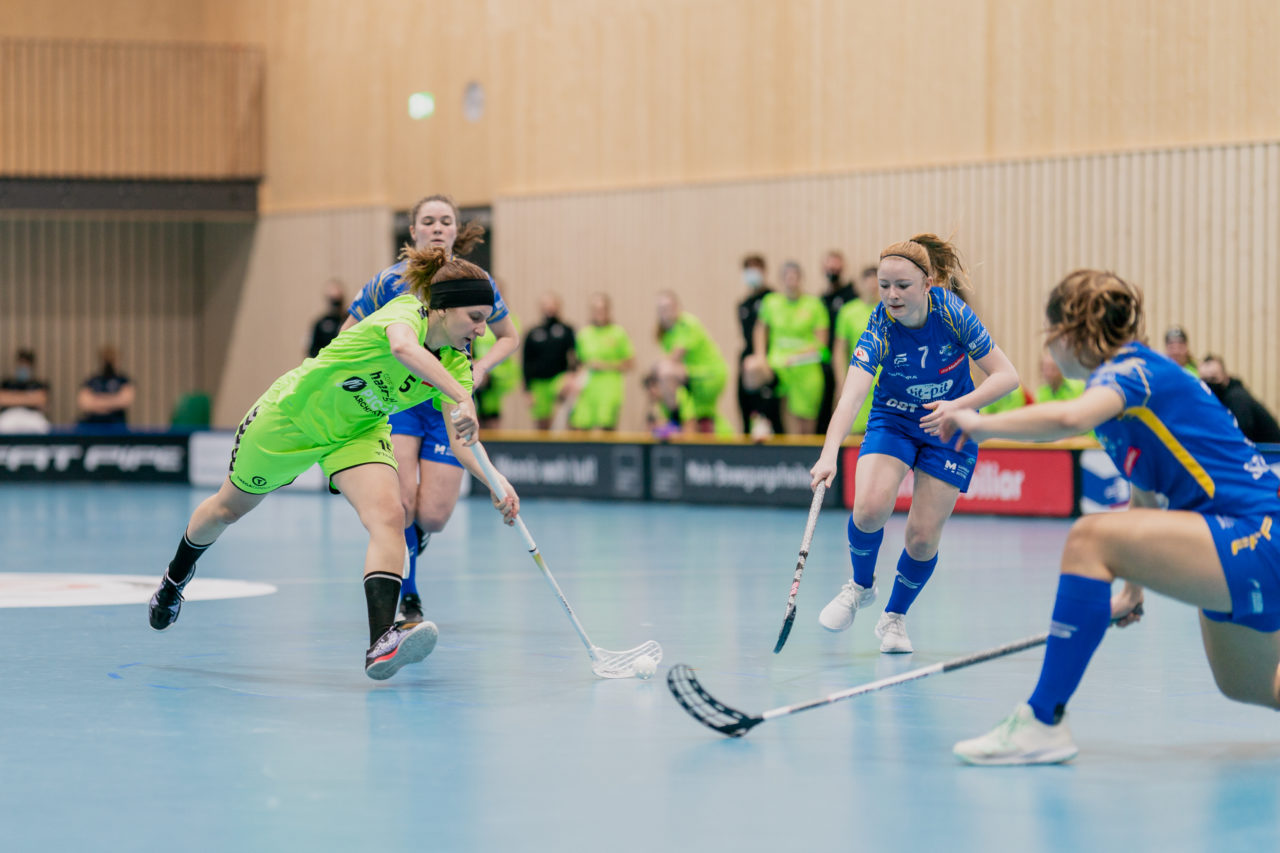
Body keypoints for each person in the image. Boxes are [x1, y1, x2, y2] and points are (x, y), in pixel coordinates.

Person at [929, 269, 1280, 765]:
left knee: (1090, 538)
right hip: (1243, 538)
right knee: (1249, 685)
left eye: (1051, 337)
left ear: (1070, 333)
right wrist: (1132, 589)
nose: (1050, 350)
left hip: (1255, 530)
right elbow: (1146, 496)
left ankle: (1042, 720)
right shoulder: (1126, 406)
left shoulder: (1130, 371)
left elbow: (1070, 419)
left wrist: (980, 424)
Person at [148, 246, 520, 681]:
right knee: (227, 508)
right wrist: (461, 397)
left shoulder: (457, 365)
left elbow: (462, 442)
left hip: (357, 431)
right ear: (442, 307)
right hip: (293, 419)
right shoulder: (405, 312)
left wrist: (497, 481)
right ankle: (175, 578)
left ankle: (381, 641)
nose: (482, 330)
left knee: (389, 514)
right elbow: (401, 348)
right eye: (475, 317)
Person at [809, 234, 1020, 654]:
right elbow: (851, 397)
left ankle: (894, 618)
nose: (891, 295)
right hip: (895, 420)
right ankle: (859, 586)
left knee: (922, 538)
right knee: (869, 510)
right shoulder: (879, 326)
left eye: (902, 286)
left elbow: (1006, 376)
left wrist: (957, 407)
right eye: (884, 285)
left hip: (950, 426)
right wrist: (828, 452)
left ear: (928, 283)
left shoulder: (954, 314)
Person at [342, 193, 520, 624]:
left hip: (447, 400)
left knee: (434, 516)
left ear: (458, 231)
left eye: (446, 221)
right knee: (401, 499)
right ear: (413, 231)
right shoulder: (389, 282)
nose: (437, 228)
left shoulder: (478, 282)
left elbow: (509, 337)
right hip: (398, 399)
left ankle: (411, 541)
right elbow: (347, 334)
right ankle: (410, 593)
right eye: (429, 221)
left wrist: (479, 371)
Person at [743, 261, 829, 435]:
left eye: (794, 277)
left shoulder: (814, 305)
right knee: (752, 366)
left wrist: (797, 357)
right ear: (781, 280)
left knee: (804, 429)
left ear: (800, 279)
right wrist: (760, 355)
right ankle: (760, 418)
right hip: (777, 367)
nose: (791, 281)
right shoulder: (771, 302)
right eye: (787, 277)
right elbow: (760, 329)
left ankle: (802, 457)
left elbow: (822, 345)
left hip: (805, 369)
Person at [654, 290, 729, 434]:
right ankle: (680, 423)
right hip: (693, 376)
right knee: (701, 416)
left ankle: (674, 422)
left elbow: (674, 358)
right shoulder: (666, 334)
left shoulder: (687, 324)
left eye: (669, 308)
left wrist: (654, 370)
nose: (666, 313)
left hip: (709, 375)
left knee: (665, 371)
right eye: (661, 309)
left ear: (678, 307)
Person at [568, 293, 634, 431]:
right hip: (587, 388)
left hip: (609, 388)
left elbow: (630, 363)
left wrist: (604, 365)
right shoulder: (584, 334)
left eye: (602, 309)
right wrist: (575, 380)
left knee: (607, 429)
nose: (599, 313)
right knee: (579, 426)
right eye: (595, 310)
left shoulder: (618, 333)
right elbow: (579, 363)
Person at [735, 255, 783, 440]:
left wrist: (762, 356)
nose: (752, 274)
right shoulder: (743, 304)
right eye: (748, 269)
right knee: (743, 396)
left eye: (756, 269)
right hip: (748, 353)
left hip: (770, 354)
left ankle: (765, 423)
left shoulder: (772, 299)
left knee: (761, 382)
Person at [522, 292, 577, 430]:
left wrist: (572, 375)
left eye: (552, 304)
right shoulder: (533, 333)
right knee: (542, 421)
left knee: (567, 410)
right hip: (539, 383)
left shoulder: (566, 330)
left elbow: (575, 356)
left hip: (559, 378)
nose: (549, 308)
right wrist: (528, 390)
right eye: (546, 305)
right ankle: (544, 449)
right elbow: (526, 362)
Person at [817, 251, 857, 432]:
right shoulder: (821, 299)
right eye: (829, 267)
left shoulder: (850, 296)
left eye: (836, 267)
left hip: (845, 361)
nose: (832, 270)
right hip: (824, 362)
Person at [1199, 354, 1280, 444]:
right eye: (1204, 380)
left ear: (1226, 377)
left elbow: (1241, 434)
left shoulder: (1237, 398)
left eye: (1214, 378)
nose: (1209, 383)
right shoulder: (1221, 399)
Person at [77, 346, 134, 431]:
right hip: (93, 425)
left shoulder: (123, 380)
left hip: (116, 425)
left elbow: (125, 400)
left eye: (112, 359)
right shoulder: (92, 381)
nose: (109, 362)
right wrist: (113, 400)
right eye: (106, 359)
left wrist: (97, 400)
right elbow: (84, 403)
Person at [0, 348, 51, 434]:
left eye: (26, 364)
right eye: (21, 363)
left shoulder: (38, 384)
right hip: (9, 416)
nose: (23, 367)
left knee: (43, 426)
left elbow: (41, 400)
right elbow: (2, 399)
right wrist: (30, 398)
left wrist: (12, 397)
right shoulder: (7, 383)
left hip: (32, 416)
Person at [307, 279, 347, 357]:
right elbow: (312, 349)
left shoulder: (349, 320)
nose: (336, 305)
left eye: (338, 300)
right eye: (333, 300)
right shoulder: (321, 323)